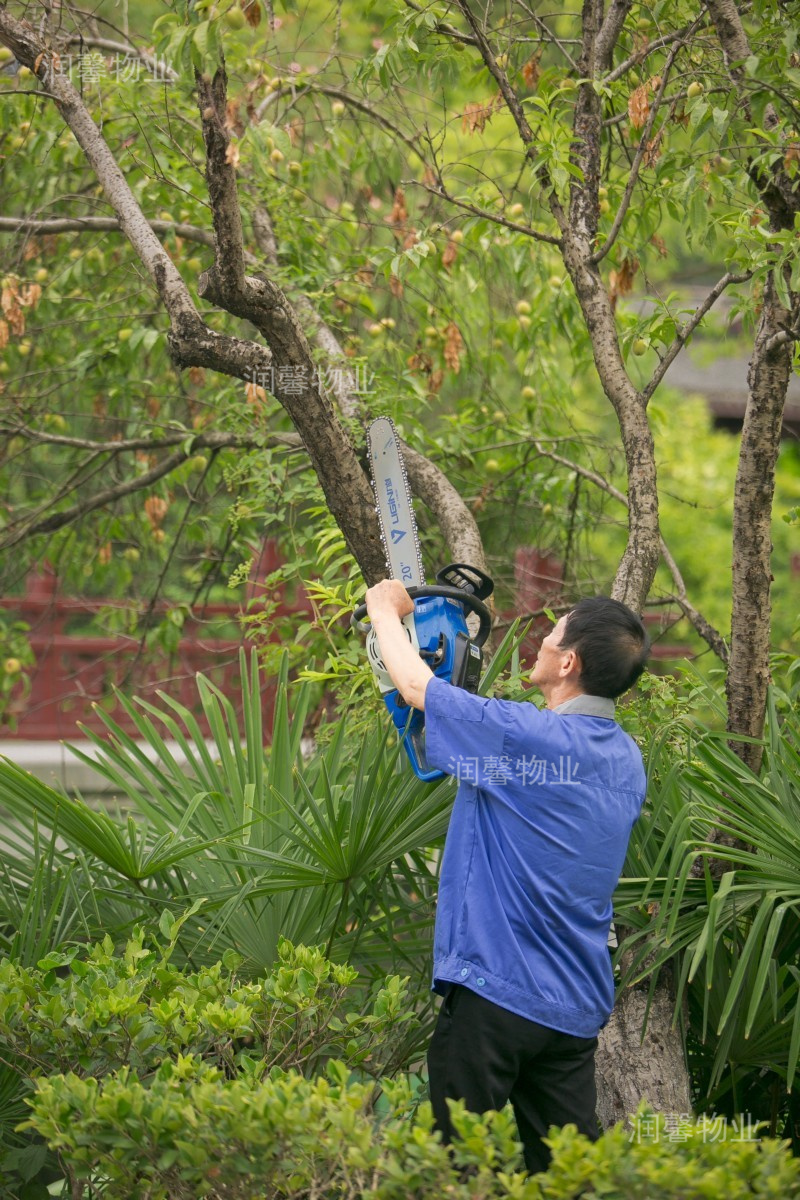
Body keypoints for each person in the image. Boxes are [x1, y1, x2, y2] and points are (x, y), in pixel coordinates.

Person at [364, 580, 650, 1173]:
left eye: (551, 634)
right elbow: (509, 772)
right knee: (570, 1177)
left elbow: (415, 686)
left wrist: (382, 612)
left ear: (568, 662)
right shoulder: (625, 759)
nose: (540, 642)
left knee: (454, 1171)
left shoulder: (528, 739)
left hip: (496, 995)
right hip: (571, 1008)